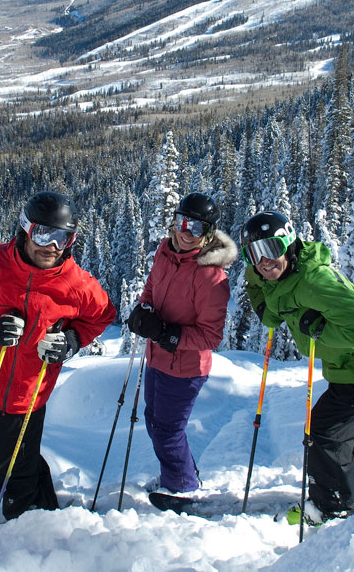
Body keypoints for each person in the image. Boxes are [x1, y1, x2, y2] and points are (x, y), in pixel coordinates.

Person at [0, 191, 115, 520]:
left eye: (62, 237)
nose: (51, 246)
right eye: (42, 233)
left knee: (7, 477)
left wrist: (72, 341)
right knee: (8, 462)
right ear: (24, 230)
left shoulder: (75, 284)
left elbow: (102, 314)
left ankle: (29, 525)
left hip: (30, 391)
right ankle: (45, 508)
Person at [240, 210, 354, 525]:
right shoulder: (278, 278)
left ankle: (331, 507)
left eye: (271, 250)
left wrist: (320, 330)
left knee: (325, 432)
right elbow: (273, 307)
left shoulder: (314, 281)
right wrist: (260, 292)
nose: (264, 261)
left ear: (288, 244)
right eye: (254, 254)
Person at [128, 192, 236, 499]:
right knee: (154, 421)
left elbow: (211, 337)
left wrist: (166, 334)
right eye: (181, 222)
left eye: (196, 228)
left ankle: (182, 487)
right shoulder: (166, 250)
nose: (185, 232)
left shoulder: (211, 277)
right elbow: (152, 285)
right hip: (157, 358)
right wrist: (143, 309)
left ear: (209, 233)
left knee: (167, 430)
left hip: (185, 368)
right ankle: (180, 475)